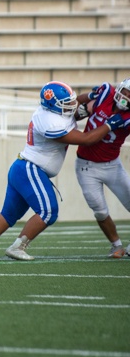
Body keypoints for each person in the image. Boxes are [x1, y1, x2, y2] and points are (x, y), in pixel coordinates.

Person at [0, 81, 124, 261]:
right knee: (48, 211)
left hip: (22, 168)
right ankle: (18, 247)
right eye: (65, 103)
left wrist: (90, 97)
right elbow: (87, 139)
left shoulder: (54, 111)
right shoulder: (50, 123)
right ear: (53, 105)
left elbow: (77, 103)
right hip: (30, 169)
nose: (71, 105)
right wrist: (109, 125)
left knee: (8, 215)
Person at [74, 78, 130, 258]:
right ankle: (116, 245)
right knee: (99, 210)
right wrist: (88, 99)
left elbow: (94, 137)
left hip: (112, 166)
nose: (126, 98)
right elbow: (80, 99)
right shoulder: (107, 91)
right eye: (126, 92)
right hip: (86, 166)